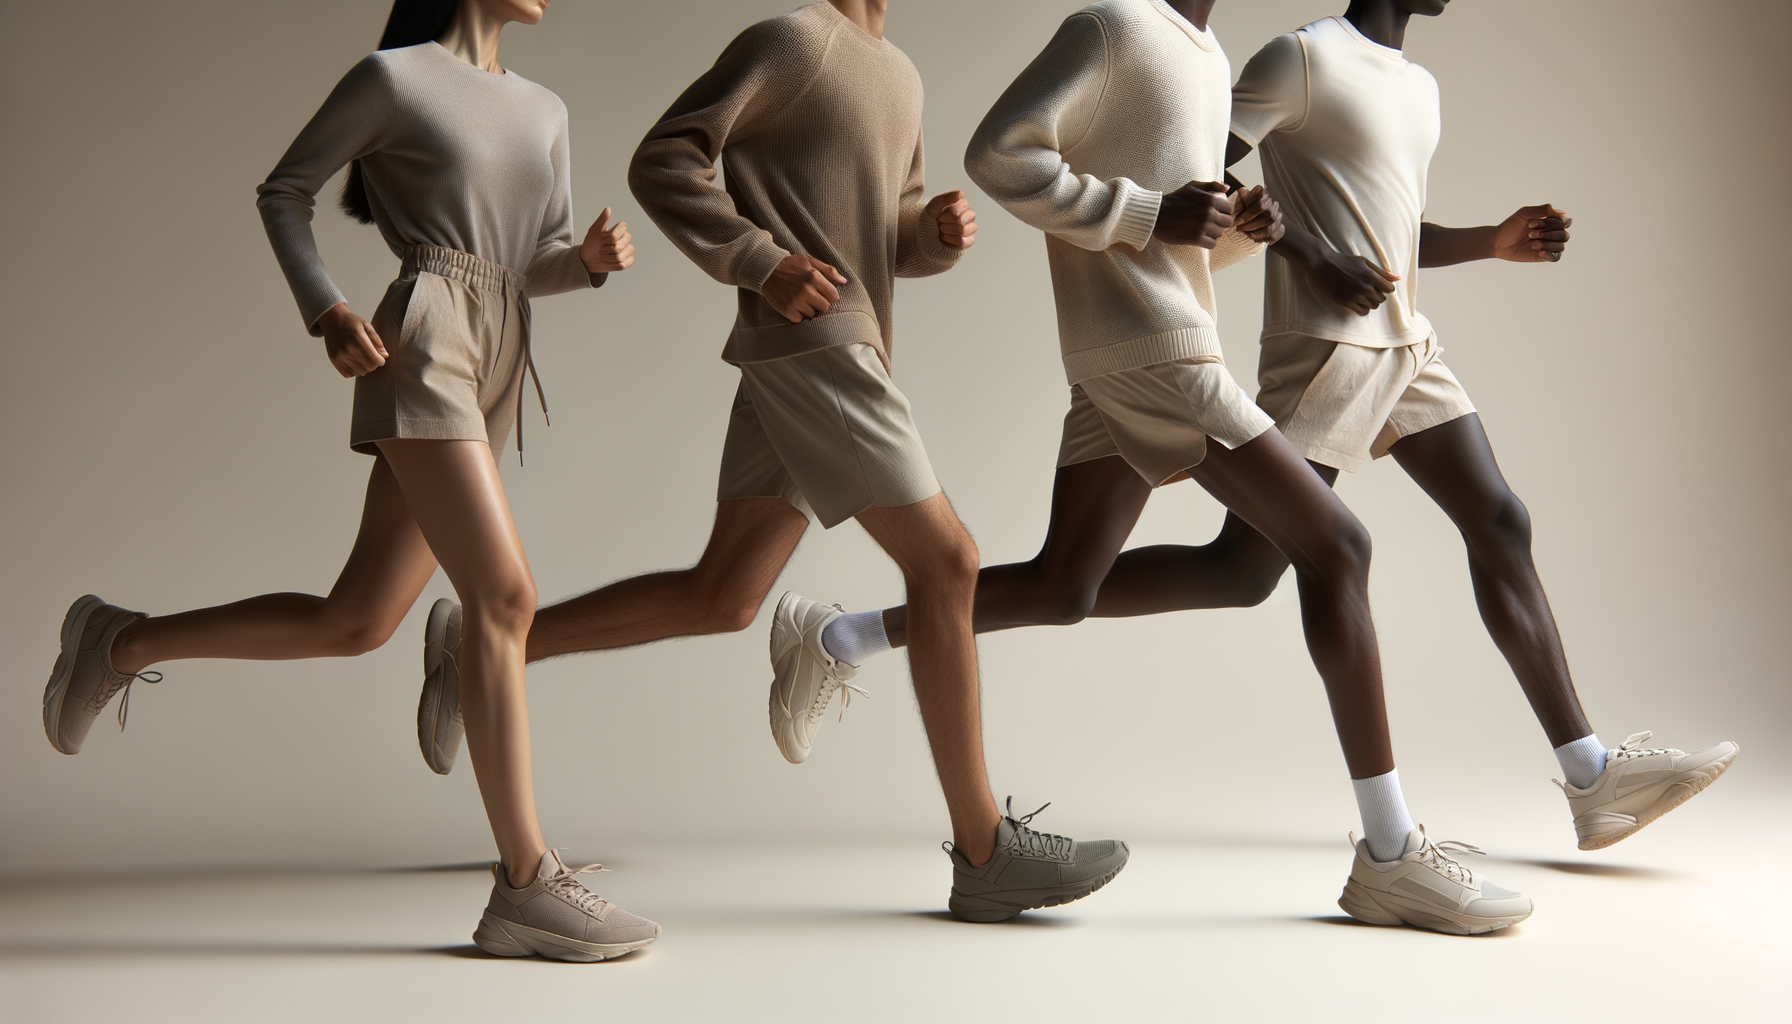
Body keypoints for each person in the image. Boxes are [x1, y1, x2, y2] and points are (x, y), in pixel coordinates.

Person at [817, 0, 1739, 865]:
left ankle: (1590, 774)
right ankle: (1391, 853)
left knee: (1490, 520)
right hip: (1318, 348)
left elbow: (1368, 226)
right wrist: (1299, 251)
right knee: (1279, 562)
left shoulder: (1396, 83)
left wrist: (1487, 241)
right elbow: (1190, 177)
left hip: (1405, 341)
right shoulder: (1294, 56)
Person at [415, 0, 1129, 924]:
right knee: (946, 561)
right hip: (817, 349)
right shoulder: (794, 41)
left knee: (726, 595)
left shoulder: (899, 73)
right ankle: (986, 851)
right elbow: (664, 158)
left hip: (829, 349)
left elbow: (889, 227)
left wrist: (932, 237)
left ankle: (477, 648)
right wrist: (761, 262)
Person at [39, 0, 658, 962]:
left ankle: (117, 640)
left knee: (358, 620)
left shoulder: (545, 109)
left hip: (500, 355)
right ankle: (527, 884)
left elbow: (530, 264)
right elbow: (284, 191)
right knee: (505, 597)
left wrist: (586, 263)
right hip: (428, 340)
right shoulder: (397, 79)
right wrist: (326, 309)